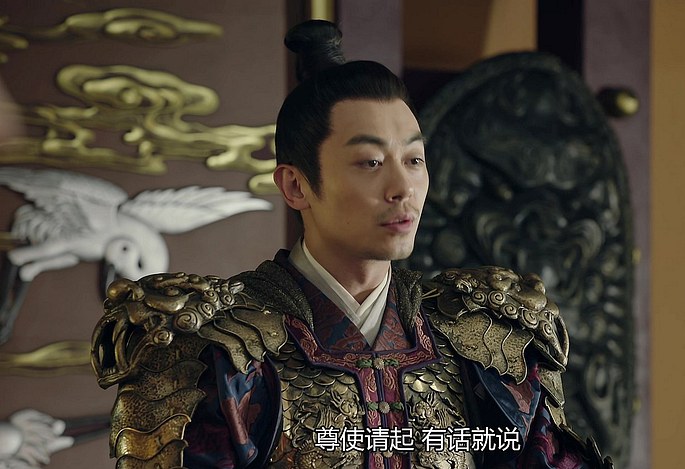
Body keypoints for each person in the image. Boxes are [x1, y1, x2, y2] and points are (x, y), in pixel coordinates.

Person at [91, 20, 613, 469]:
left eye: (414, 160)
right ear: (296, 186)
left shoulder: (478, 339)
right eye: (370, 162)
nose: (402, 188)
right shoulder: (222, 352)